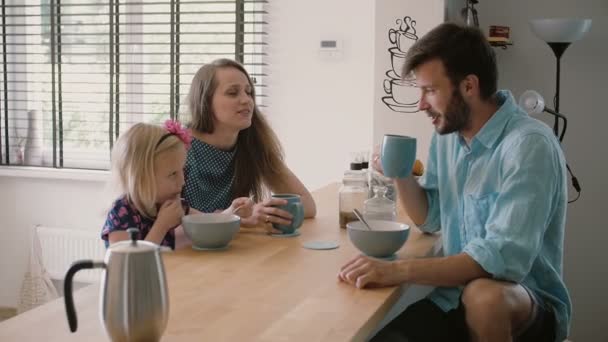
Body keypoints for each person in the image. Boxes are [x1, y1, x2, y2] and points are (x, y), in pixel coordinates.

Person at [338, 23, 571, 342]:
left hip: (523, 303)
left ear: (469, 86)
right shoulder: (447, 138)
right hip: (452, 299)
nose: (420, 104)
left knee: (484, 296)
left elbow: (501, 260)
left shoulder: (529, 145)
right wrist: (401, 173)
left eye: (430, 91)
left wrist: (398, 271)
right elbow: (430, 217)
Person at [182, 58, 316, 229]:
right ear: (205, 100)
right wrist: (238, 219)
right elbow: (170, 214)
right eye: (232, 93)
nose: (246, 100)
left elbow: (307, 204)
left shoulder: (252, 144)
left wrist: (264, 212)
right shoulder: (176, 146)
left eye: (249, 92)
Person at [101, 120, 253, 249]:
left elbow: (209, 222)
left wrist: (232, 211)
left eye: (182, 171)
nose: (182, 181)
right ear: (142, 178)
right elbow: (126, 264)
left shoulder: (173, 205)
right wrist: (161, 225)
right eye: (172, 174)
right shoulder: (121, 212)